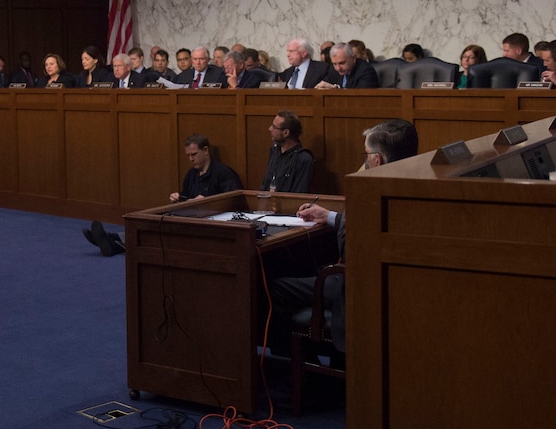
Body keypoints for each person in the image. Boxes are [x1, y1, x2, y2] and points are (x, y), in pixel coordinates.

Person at [273, 119, 419, 353]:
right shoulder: (412, 184)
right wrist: (330, 216)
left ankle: (297, 371)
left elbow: (351, 248)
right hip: (387, 287)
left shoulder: (373, 192)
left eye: (367, 154)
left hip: (358, 290)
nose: (365, 160)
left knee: (275, 287)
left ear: (377, 160)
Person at [82, 133, 242, 256]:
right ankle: (112, 240)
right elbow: (186, 198)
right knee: (156, 221)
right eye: (188, 156)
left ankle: (112, 240)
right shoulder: (191, 174)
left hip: (210, 223)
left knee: (160, 229)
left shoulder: (223, 173)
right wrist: (178, 198)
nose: (191, 159)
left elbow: (234, 201)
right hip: (189, 217)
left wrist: (208, 202)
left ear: (206, 151)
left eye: (194, 155)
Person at [261, 109, 314, 193]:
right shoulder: (274, 150)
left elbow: (299, 194)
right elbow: (266, 184)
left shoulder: (304, 159)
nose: (270, 129)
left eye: (274, 127)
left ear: (286, 133)